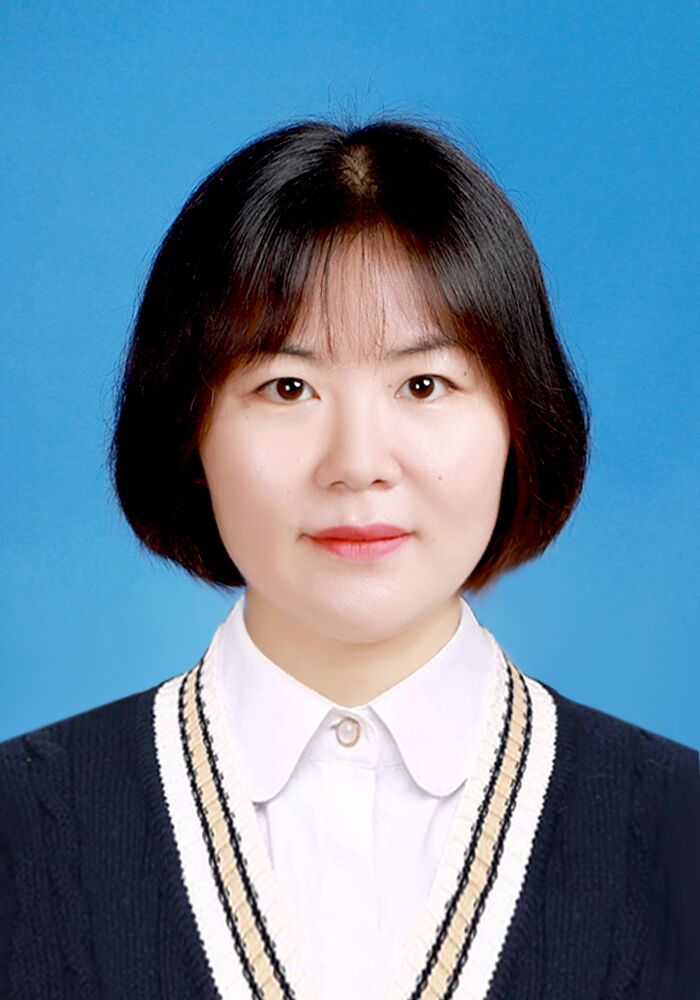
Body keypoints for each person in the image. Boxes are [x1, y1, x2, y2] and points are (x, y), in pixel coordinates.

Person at [1, 117, 698, 1000]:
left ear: (519, 419)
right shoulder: (24, 829)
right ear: (189, 430)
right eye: (287, 387)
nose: (358, 462)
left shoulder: (675, 826)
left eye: (423, 384)